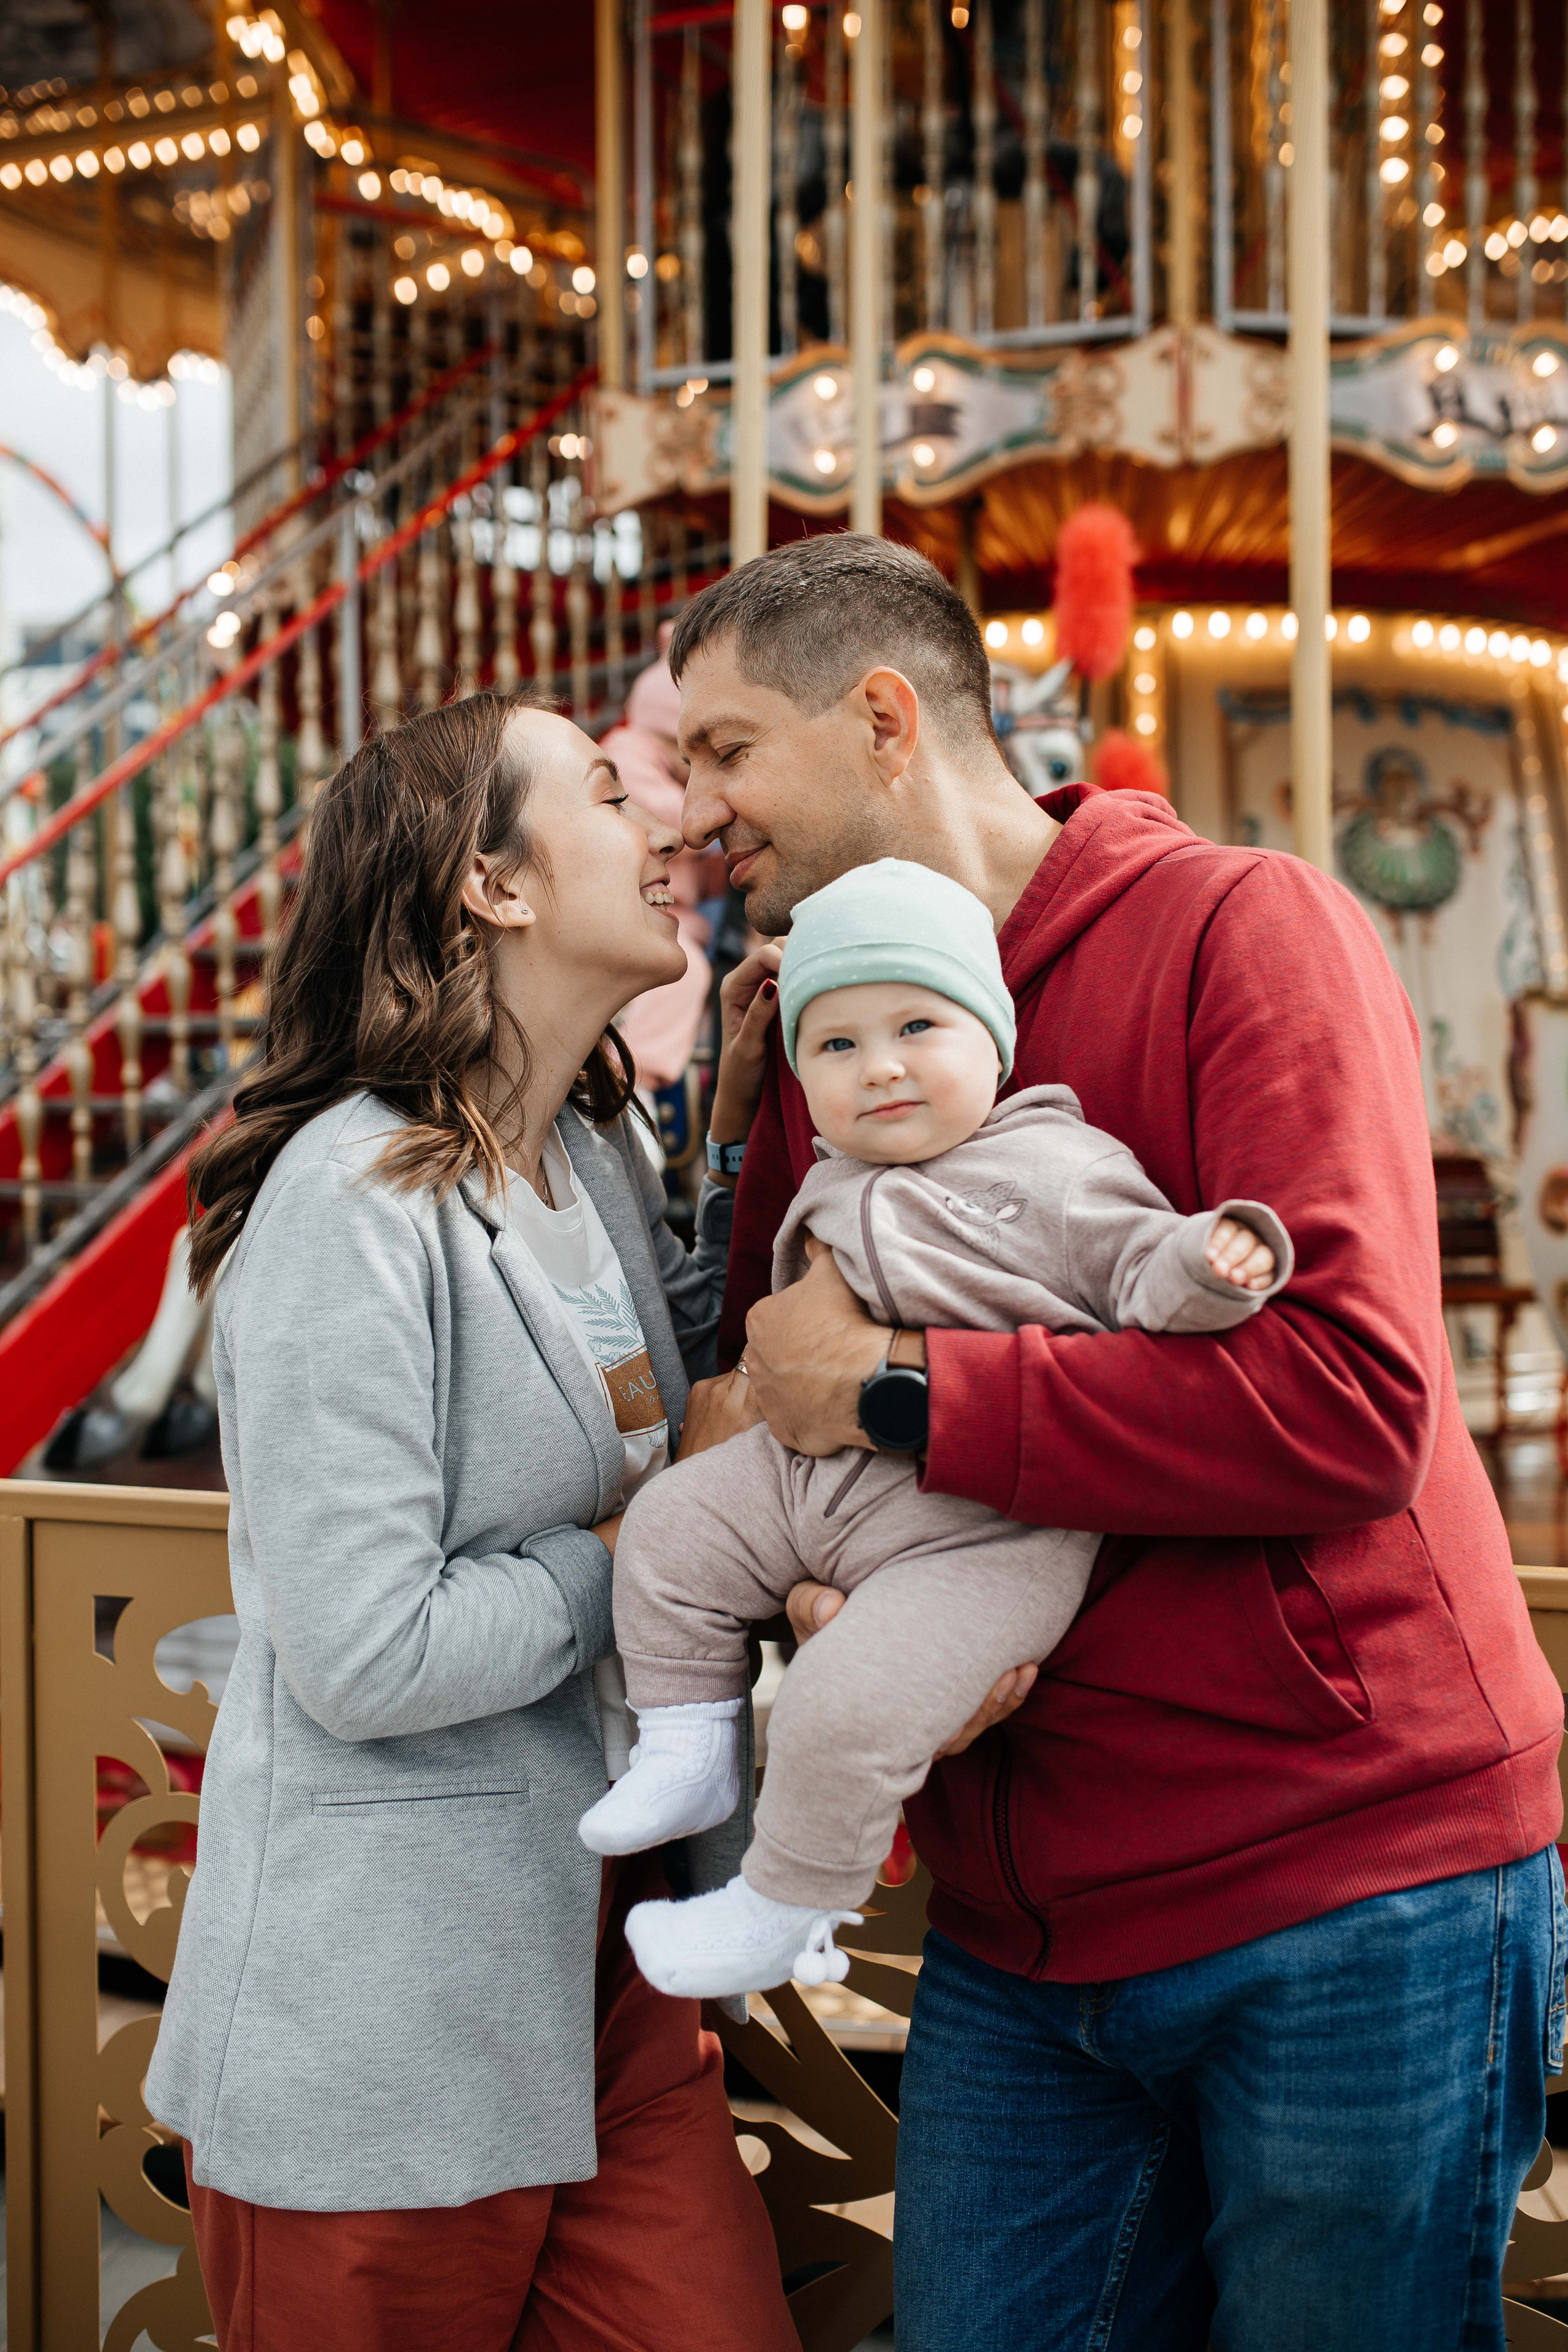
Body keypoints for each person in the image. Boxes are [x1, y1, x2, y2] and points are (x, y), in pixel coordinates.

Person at [666, 532, 1567, 2352]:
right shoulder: (827, 1032)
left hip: (1341, 1879)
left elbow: (1349, 1400)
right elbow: (761, 1405)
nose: (697, 815)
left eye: (727, 753)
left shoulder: (1243, 928)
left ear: (886, 718)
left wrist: (907, 1395)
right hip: (1024, 1919)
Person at [144, 692, 794, 2352]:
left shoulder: (589, 1154)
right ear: (489, 886)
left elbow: (675, 1398)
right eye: (603, 789)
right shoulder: (353, 1202)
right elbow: (368, 1648)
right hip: (388, 2008)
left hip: (610, 1970)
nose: (663, 826)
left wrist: (731, 1127)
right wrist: (641, 1561)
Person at [580, 858, 1287, 2003]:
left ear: (993, 1040)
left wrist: (1210, 1264)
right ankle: (685, 1748)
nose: (884, 1066)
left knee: (840, 1701)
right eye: (840, 1046)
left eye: (918, 1024)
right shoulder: (834, 1169)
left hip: (980, 1531)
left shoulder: (1052, 1165)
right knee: (669, 1531)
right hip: (811, 1481)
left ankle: (782, 1903)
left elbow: (1135, 1264)